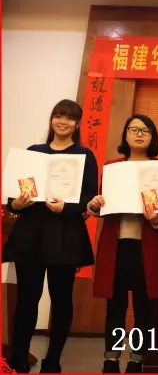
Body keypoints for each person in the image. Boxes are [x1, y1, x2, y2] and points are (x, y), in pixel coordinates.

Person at [4, 99, 98, 373]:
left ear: (77, 124)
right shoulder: (33, 152)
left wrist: (65, 207)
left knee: (61, 299)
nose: (62, 122)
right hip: (31, 233)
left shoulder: (84, 156)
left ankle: (53, 359)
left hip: (65, 234)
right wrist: (16, 204)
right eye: (58, 116)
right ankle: (18, 359)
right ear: (51, 120)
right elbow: (14, 197)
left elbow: (89, 196)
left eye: (69, 118)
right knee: (27, 298)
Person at [88, 114, 158, 373]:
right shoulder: (113, 167)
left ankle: (137, 360)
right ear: (125, 135)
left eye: (145, 130)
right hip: (116, 247)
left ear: (153, 137)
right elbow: (102, 203)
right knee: (115, 306)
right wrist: (95, 205)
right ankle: (111, 359)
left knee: (144, 308)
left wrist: (157, 218)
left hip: (147, 248)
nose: (139, 134)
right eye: (134, 129)